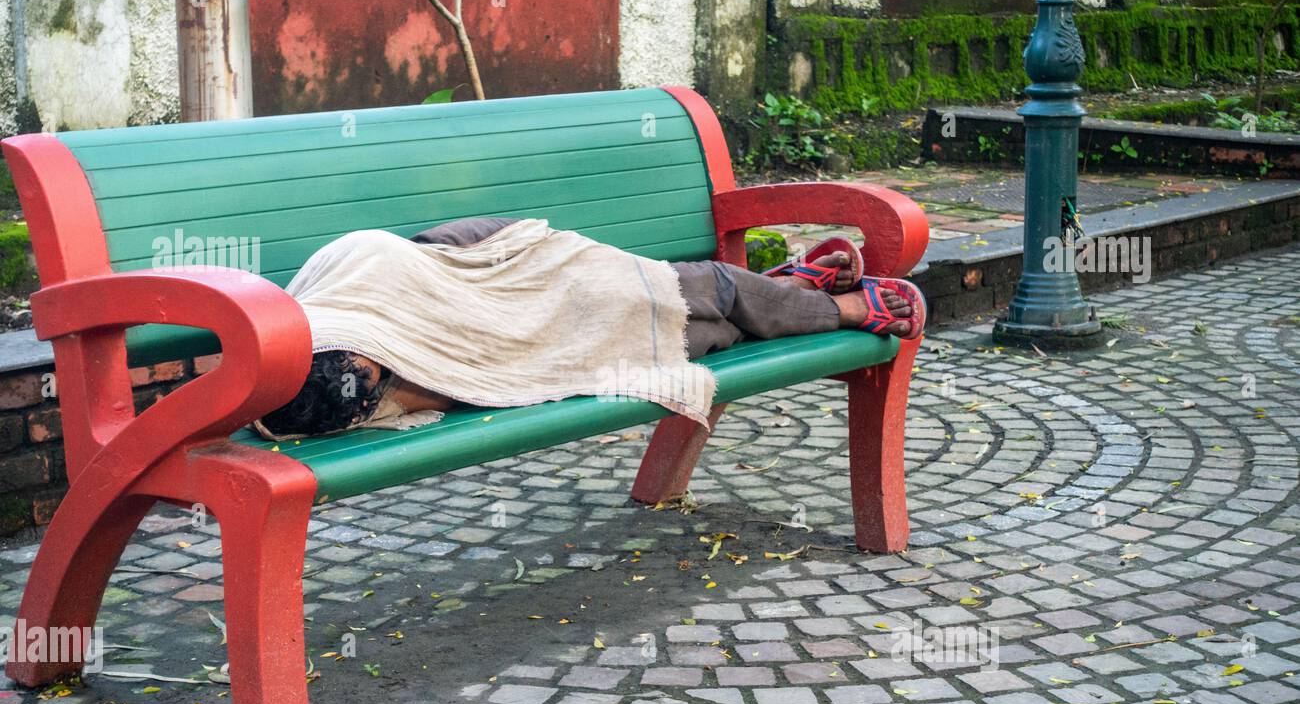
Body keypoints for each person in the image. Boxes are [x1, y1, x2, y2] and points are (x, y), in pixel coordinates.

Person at [254, 217, 925, 440]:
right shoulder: (332, 392)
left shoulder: (349, 283)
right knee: (710, 330)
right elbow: (476, 381)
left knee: (711, 292)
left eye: (371, 380)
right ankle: (819, 300)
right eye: (371, 396)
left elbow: (443, 247)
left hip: (532, 276)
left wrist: (507, 260)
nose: (381, 394)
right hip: (561, 337)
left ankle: (808, 299)